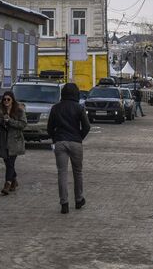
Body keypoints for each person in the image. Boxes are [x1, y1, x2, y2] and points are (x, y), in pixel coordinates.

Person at [47, 83, 91, 214]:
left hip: (60, 141)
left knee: (62, 173)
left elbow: (49, 128)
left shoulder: (56, 108)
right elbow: (87, 126)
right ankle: (78, 199)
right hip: (75, 142)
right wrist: (79, 137)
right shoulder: (79, 108)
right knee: (78, 172)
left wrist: (56, 138)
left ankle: (64, 203)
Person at [0, 91, 26, 196]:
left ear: (12, 100)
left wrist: (10, 121)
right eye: (4, 99)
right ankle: (14, 181)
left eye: (8, 99)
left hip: (15, 141)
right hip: (2, 141)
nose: (6, 101)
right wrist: (1, 121)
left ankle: (7, 184)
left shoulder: (19, 111)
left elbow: (23, 124)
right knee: (7, 163)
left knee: (10, 162)